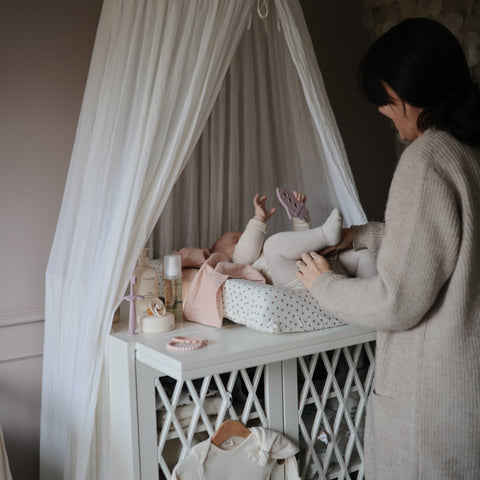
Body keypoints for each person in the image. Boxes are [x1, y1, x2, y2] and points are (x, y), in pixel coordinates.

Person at [296, 18, 480, 479]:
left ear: (411, 90)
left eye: (385, 97)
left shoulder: (428, 159)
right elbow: (447, 247)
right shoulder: (470, 152)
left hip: (431, 405)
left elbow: (396, 301)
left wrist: (323, 285)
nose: (382, 109)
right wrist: (360, 236)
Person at [210, 190, 377, 288]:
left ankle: (369, 291)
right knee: (272, 245)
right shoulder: (236, 264)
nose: (245, 236)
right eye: (236, 240)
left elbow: (301, 245)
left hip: (323, 265)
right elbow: (245, 253)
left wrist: (300, 218)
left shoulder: (266, 256)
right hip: (296, 279)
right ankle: (326, 235)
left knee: (363, 254)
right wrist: (258, 220)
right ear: (222, 257)